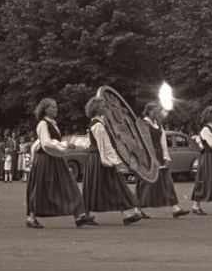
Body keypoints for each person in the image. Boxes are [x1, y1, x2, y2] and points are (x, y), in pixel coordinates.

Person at [25, 98, 91, 229]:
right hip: (45, 159)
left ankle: (78, 215)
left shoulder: (52, 123)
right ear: (45, 109)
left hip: (55, 158)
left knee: (69, 184)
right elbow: (46, 143)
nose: (56, 109)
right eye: (53, 107)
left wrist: (64, 146)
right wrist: (65, 145)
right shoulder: (43, 124)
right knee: (41, 187)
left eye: (56, 107)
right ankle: (31, 217)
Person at [80, 96, 143, 225]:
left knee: (98, 185)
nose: (106, 108)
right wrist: (115, 163)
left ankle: (127, 214)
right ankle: (127, 214)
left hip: (97, 158)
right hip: (101, 159)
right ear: (97, 109)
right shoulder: (98, 126)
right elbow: (105, 147)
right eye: (103, 106)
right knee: (115, 184)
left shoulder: (98, 123)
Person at [135, 101, 190, 218]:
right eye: (155, 113)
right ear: (148, 111)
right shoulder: (142, 124)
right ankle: (138, 209)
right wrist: (146, 157)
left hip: (158, 154)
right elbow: (140, 142)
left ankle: (175, 208)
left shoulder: (158, 125)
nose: (157, 115)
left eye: (158, 113)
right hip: (148, 155)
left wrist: (165, 156)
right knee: (145, 182)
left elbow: (163, 142)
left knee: (166, 181)